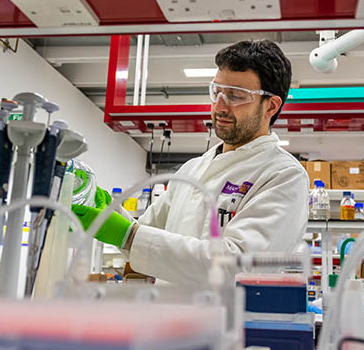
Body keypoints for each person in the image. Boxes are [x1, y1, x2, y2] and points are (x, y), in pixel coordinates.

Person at [72, 40, 309, 285]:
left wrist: (129, 236)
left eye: (236, 96)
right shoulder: (192, 169)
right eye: (216, 92)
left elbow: (238, 267)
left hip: (227, 321)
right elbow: (144, 235)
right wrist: (108, 209)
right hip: (168, 315)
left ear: (271, 105)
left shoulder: (283, 175)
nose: (219, 106)